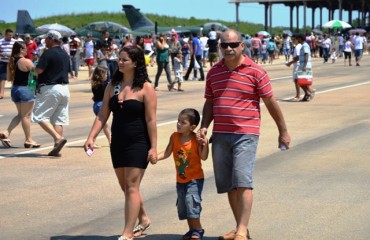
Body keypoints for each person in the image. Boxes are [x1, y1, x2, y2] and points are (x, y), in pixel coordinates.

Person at [198, 29, 291, 240]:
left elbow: (270, 103)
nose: (229, 49)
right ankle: (241, 227)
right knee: (229, 184)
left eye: (233, 44)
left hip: (246, 134)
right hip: (220, 134)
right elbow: (210, 102)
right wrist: (204, 126)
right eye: (224, 45)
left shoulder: (256, 71)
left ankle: (241, 229)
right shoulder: (213, 72)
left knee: (242, 180)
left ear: (242, 46)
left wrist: (283, 131)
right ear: (219, 47)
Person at [84, 46, 157, 240]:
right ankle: (144, 218)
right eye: (119, 59)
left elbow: (151, 120)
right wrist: (91, 136)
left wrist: (154, 147)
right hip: (118, 142)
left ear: (135, 62)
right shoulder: (112, 86)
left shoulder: (145, 88)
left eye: (124, 59)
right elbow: (102, 115)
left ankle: (127, 233)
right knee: (126, 186)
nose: (120, 62)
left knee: (132, 185)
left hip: (138, 142)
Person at [157, 108, 209, 240]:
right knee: (184, 206)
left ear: (192, 127)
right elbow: (167, 152)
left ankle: (198, 229)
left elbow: (204, 157)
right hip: (180, 179)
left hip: (195, 179)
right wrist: (155, 157)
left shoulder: (195, 140)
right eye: (178, 121)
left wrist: (205, 144)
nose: (179, 124)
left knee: (191, 202)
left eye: (183, 122)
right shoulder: (174, 137)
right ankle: (192, 230)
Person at [33, 30, 70, 157]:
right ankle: (56, 145)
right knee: (58, 119)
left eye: (46, 39)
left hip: (50, 88)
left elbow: (39, 70)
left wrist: (32, 67)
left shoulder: (48, 53)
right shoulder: (65, 53)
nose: (45, 41)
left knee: (39, 116)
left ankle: (58, 138)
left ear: (51, 39)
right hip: (64, 88)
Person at [0, 41, 40, 148]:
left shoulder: (11, 61)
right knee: (26, 116)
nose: (27, 50)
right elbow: (35, 75)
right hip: (25, 89)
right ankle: (28, 140)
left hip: (15, 89)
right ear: (21, 50)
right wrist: (33, 88)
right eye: (25, 48)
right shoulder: (26, 61)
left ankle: (7, 132)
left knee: (20, 115)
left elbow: (9, 78)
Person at [90, 66, 111, 145]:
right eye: (105, 74)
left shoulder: (95, 84)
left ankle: (109, 140)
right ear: (102, 75)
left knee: (102, 125)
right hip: (101, 105)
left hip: (96, 105)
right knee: (103, 125)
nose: (106, 76)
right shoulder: (105, 85)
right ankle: (109, 141)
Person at [294, 33, 315, 102]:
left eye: (298, 38)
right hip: (303, 65)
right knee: (302, 82)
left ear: (300, 39)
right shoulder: (303, 45)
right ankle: (307, 94)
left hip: (304, 65)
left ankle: (308, 93)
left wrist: (304, 66)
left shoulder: (305, 46)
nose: (297, 40)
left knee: (300, 81)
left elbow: (306, 55)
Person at [0, 29, 16, 99]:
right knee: (2, 77)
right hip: (3, 61)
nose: (11, 36)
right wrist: (1, 54)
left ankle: (14, 92)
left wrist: (12, 55)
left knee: (13, 77)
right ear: (5, 35)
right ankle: (1, 93)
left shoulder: (14, 42)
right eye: (9, 35)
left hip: (12, 61)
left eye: (11, 35)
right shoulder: (0, 41)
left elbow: (17, 51)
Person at [286, 36, 302, 100]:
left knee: (296, 80)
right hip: (298, 64)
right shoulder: (300, 46)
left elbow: (298, 57)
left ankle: (298, 95)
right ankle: (308, 91)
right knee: (299, 80)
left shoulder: (297, 47)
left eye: (293, 39)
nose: (292, 41)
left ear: (297, 39)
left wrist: (290, 63)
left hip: (297, 65)